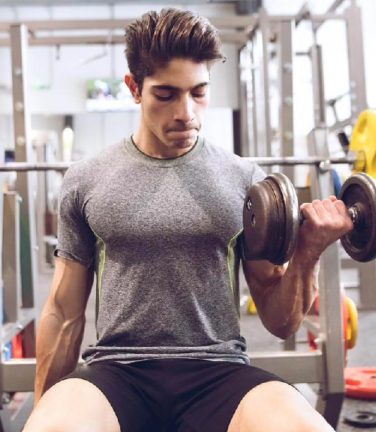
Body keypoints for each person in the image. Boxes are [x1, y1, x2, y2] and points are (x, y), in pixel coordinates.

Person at [24, 8, 353, 432]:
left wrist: (308, 250)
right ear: (134, 88)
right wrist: (43, 408)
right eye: (166, 95)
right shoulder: (87, 180)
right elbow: (64, 311)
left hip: (219, 373)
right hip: (116, 372)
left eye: (199, 93)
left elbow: (279, 320)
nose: (186, 113)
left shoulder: (246, 182)